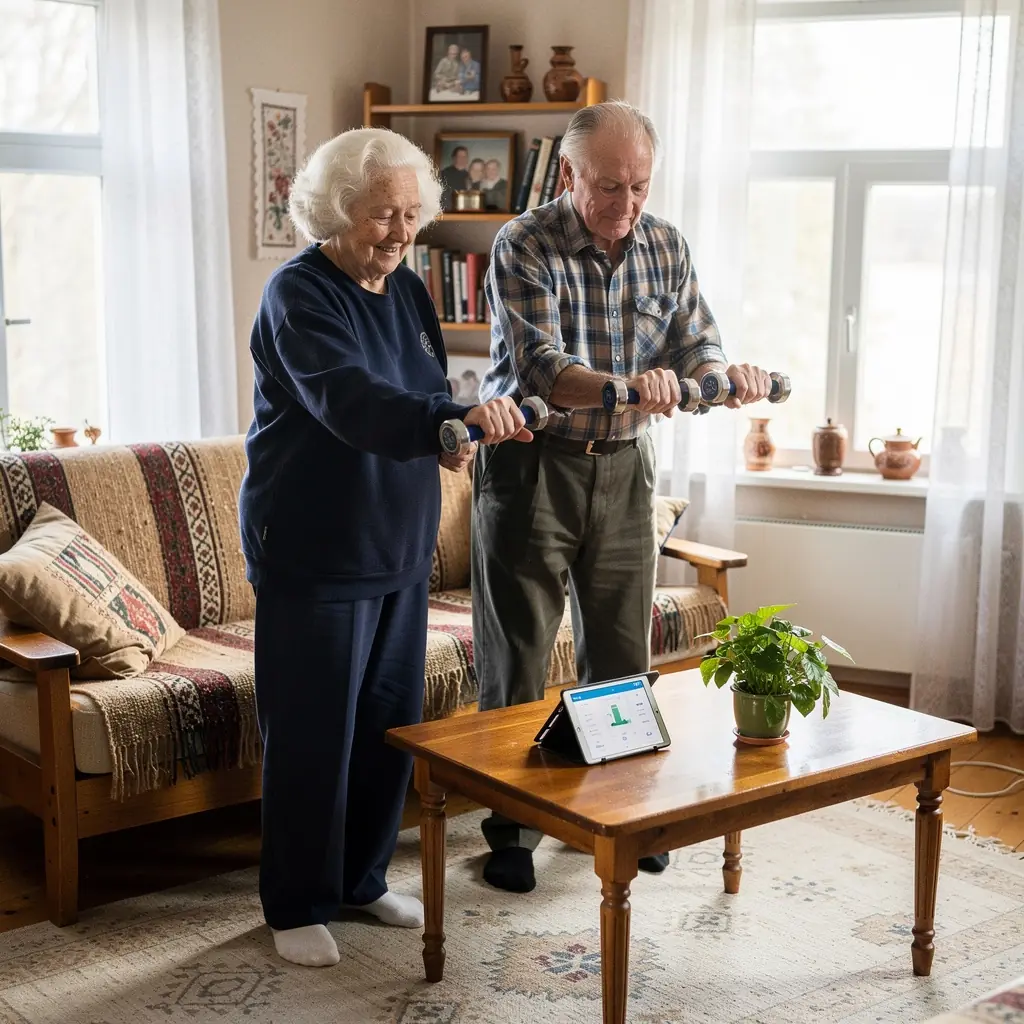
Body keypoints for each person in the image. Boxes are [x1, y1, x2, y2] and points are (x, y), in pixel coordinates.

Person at [238, 126, 531, 967]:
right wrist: (443, 420)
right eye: (379, 216)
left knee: (386, 723)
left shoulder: (404, 290)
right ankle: (295, 902)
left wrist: (453, 434)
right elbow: (351, 401)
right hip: (314, 546)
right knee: (311, 732)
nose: (400, 233)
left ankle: (361, 880)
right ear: (334, 211)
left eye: (410, 214)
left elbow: (428, 390)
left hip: (398, 537)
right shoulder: (300, 296)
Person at [472, 100, 772, 894]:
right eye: (610, 186)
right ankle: (510, 828)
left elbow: (695, 341)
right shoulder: (522, 244)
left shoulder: (666, 243)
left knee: (620, 657)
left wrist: (721, 375)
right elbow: (540, 364)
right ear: (569, 173)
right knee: (520, 659)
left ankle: (618, 811)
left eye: (640, 186)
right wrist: (627, 387)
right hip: (531, 465)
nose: (626, 204)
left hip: (627, 467)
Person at [440, 145, 470, 210]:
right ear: (454, 158)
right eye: (459, 157)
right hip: (450, 211)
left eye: (464, 157)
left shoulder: (469, 175)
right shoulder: (444, 174)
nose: (462, 159)